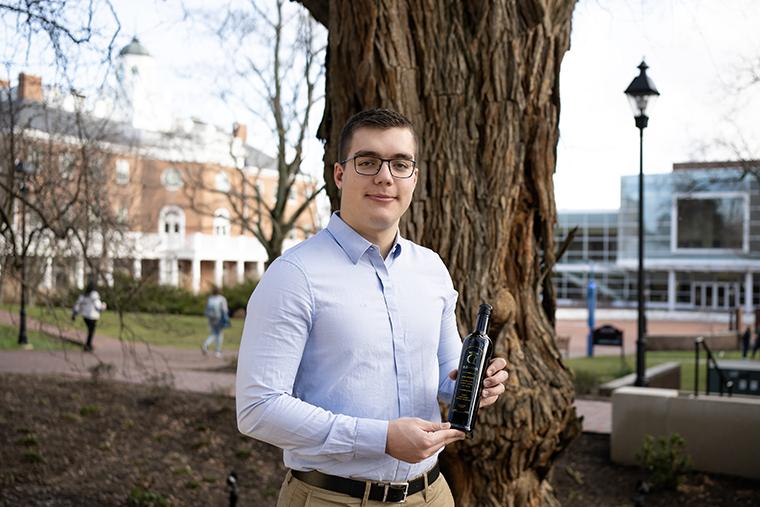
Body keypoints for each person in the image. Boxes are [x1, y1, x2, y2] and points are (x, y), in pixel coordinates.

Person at [236, 108, 509, 506]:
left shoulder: (431, 269)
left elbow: (446, 378)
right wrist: (381, 438)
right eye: (368, 162)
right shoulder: (294, 275)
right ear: (340, 174)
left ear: (413, 178)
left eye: (400, 164)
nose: (385, 176)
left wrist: (477, 386)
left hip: (431, 494)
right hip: (332, 498)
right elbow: (258, 408)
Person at [71, 281, 106, 352]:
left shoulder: (83, 296)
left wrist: (74, 314)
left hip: (85, 316)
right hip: (93, 316)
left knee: (90, 331)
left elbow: (78, 305)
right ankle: (88, 345)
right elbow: (98, 306)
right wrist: (103, 306)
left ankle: (88, 344)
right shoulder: (94, 295)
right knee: (91, 331)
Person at [202, 286, 229, 358]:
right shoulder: (222, 299)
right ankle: (217, 351)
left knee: (214, 333)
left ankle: (206, 344)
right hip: (219, 319)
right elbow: (225, 310)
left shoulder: (210, 298)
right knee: (219, 334)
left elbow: (206, 309)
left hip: (211, 318)